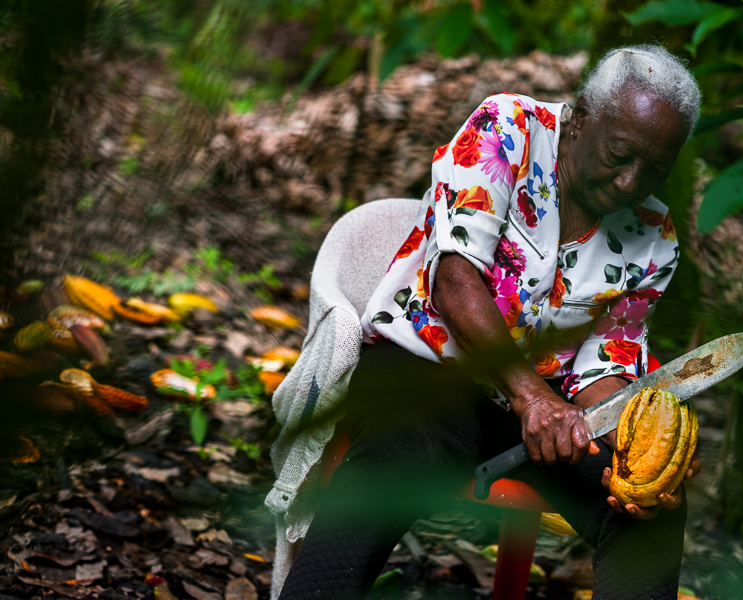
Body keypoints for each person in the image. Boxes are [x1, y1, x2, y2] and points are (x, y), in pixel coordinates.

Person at [270, 44, 702, 600]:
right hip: (427, 367)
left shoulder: (655, 238)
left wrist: (645, 446)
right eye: (619, 154)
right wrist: (532, 399)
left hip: (547, 409)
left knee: (646, 509)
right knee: (403, 455)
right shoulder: (508, 130)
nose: (629, 183)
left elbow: (604, 366)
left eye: (655, 168)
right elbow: (455, 279)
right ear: (581, 118)